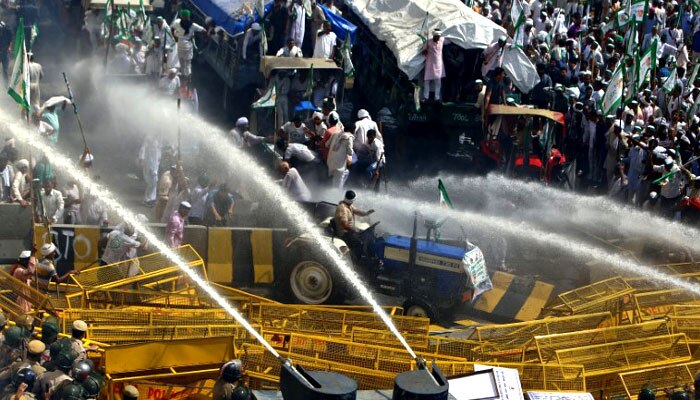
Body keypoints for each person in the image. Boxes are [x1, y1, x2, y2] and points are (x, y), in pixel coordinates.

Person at [333, 190, 374, 260]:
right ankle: (357, 260)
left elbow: (357, 211)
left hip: (349, 232)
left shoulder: (349, 205)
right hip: (344, 234)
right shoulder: (342, 209)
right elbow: (344, 224)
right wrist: (354, 231)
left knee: (367, 237)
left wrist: (367, 213)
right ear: (353, 200)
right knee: (359, 243)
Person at [170, 9, 206, 83]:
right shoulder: (193, 25)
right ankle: (188, 77)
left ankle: (183, 77)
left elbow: (172, 28)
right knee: (188, 63)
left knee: (182, 62)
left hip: (179, 44)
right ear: (189, 16)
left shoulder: (177, 22)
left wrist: (175, 37)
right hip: (188, 46)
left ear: (182, 16)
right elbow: (204, 30)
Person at [326, 112, 354, 189]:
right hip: (339, 165)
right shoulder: (349, 137)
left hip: (330, 161)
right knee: (337, 184)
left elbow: (326, 145)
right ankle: (335, 198)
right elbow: (350, 152)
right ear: (352, 130)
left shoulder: (335, 133)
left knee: (345, 173)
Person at [422, 29, 446, 102]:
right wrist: (425, 50)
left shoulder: (442, 40)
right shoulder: (428, 42)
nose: (438, 38)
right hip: (429, 64)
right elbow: (423, 51)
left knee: (438, 82)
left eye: (439, 36)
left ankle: (437, 97)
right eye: (436, 36)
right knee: (427, 81)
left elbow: (451, 38)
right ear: (434, 36)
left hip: (438, 65)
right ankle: (426, 97)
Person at [138, 134, 162, 207]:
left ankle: (152, 198)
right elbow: (143, 148)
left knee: (154, 182)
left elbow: (159, 150)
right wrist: (141, 159)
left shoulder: (159, 138)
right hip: (150, 163)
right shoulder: (149, 136)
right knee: (152, 181)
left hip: (155, 163)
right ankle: (147, 199)